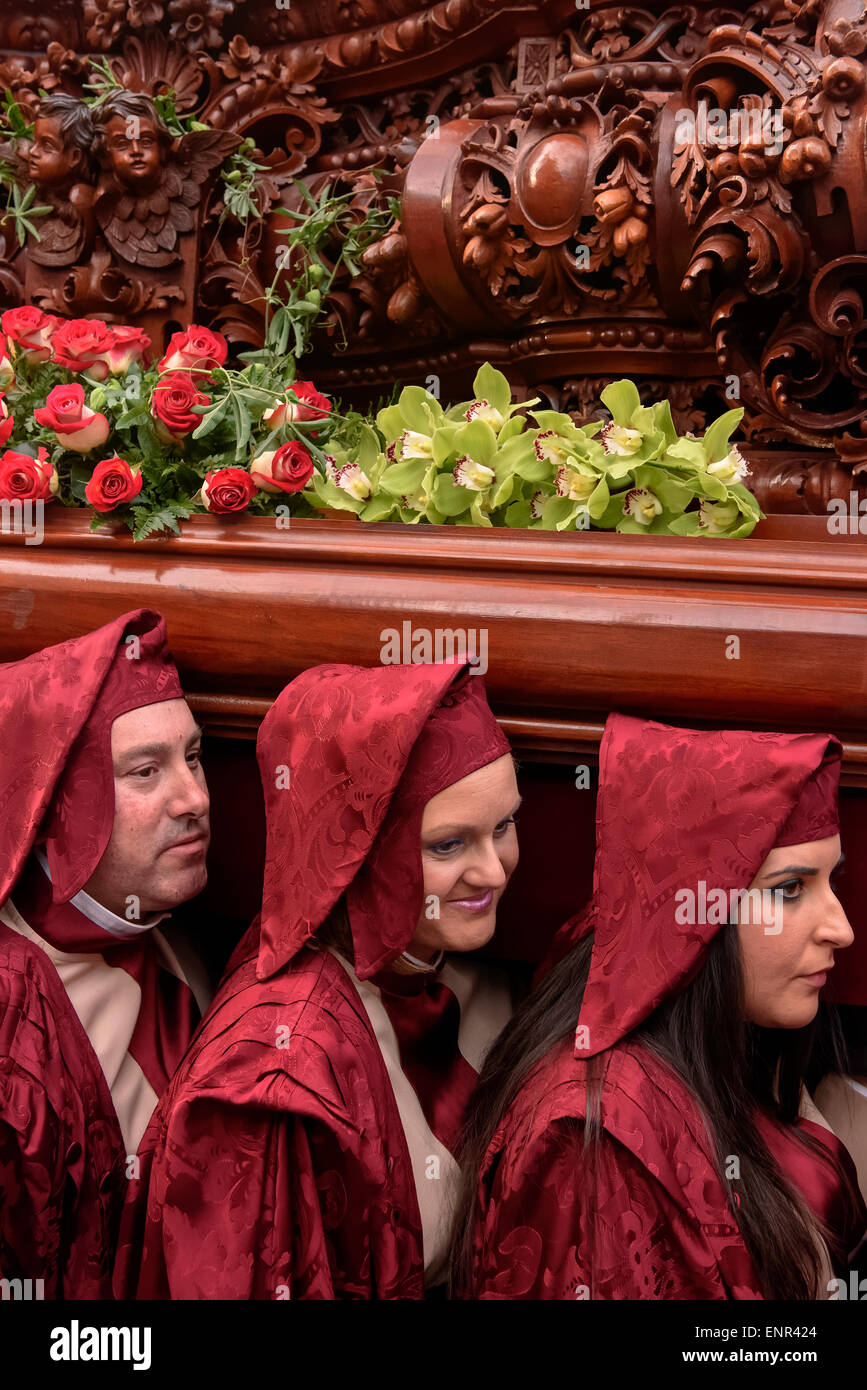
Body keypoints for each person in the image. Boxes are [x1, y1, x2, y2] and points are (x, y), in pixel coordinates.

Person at [115, 659, 520, 1299]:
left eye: (504, 828)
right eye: (448, 845)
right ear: (364, 854)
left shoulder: (461, 971)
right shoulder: (275, 1085)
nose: (494, 872)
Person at [450, 713, 867, 1300]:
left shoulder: (725, 1047)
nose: (841, 929)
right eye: (790, 890)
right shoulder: (591, 1142)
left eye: (833, 882)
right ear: (692, 915)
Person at [0, 609, 210, 1297]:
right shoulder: (12, 1014)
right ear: (58, 803)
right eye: (145, 772)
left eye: (195, 756)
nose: (195, 798)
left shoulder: (182, 948)